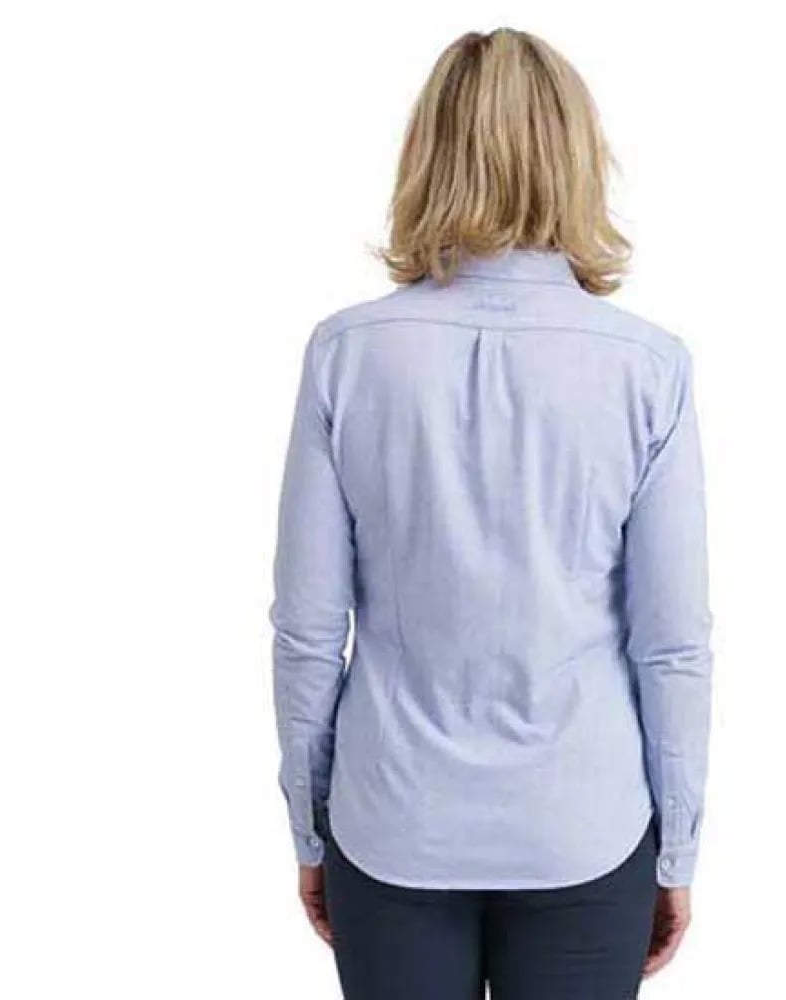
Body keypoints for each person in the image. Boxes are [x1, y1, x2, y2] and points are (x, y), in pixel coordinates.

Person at [269, 26, 713, 1000]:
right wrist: (676, 846)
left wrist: (310, 828)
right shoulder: (646, 368)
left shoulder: (348, 354)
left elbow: (307, 631)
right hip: (584, 829)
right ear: (575, 156)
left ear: (426, 152)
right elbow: (671, 643)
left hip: (391, 825)